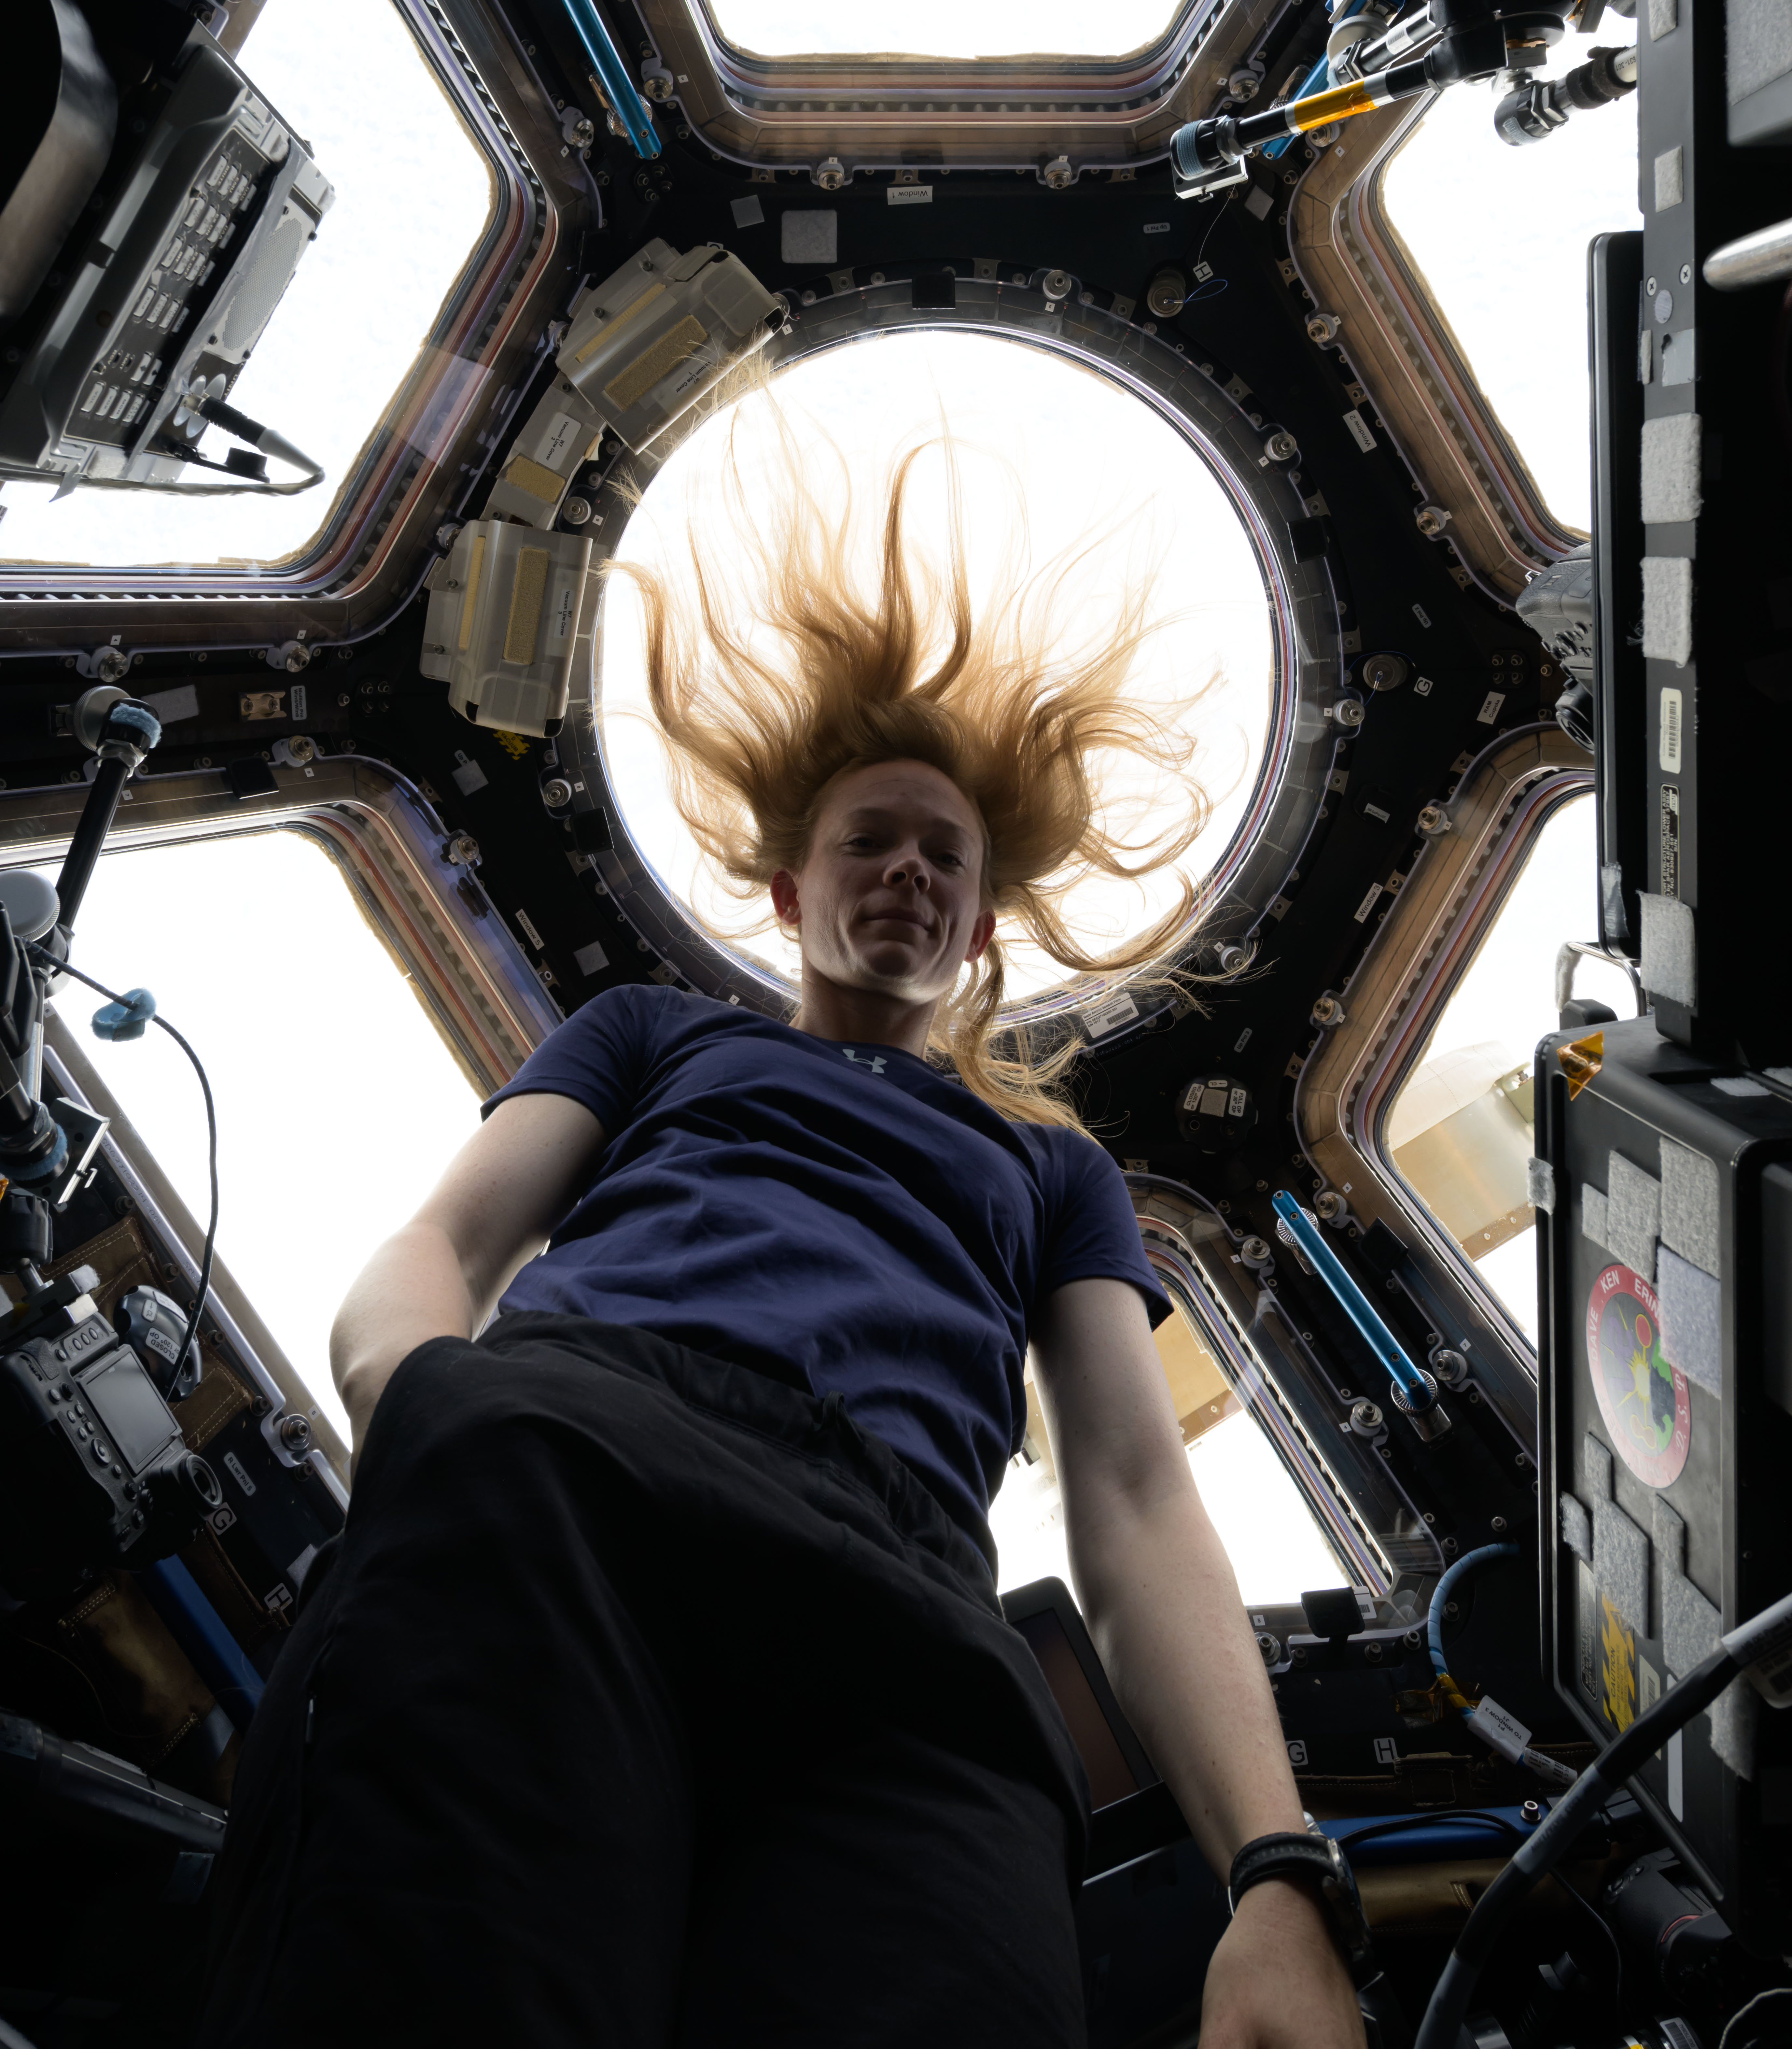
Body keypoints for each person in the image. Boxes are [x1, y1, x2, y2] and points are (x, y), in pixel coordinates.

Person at [195, 395, 1365, 2049]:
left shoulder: (1051, 1170)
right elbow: (451, 1240)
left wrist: (1271, 1870)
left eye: (945, 858)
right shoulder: (655, 1037)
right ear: (788, 895)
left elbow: (1126, 1490)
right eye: (865, 841)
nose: (906, 870)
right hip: (583, 1462)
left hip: (916, 1620)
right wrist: (421, 1397)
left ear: (977, 937)